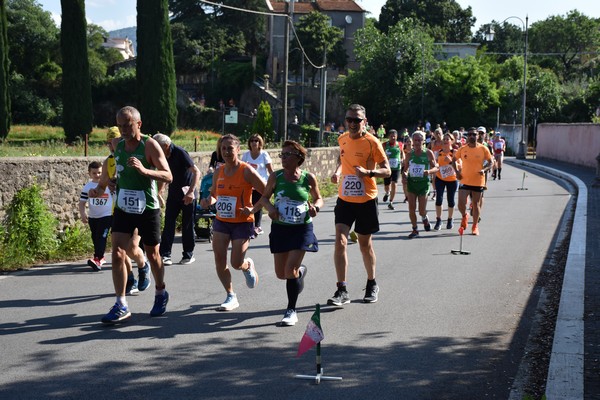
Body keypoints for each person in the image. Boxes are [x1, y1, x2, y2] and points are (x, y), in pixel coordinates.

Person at [89, 106, 172, 324]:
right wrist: (100, 188)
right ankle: (121, 303)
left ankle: (161, 292)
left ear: (139, 124)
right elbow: (112, 172)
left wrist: (145, 171)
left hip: (148, 207)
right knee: (117, 252)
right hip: (125, 207)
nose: (124, 130)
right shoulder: (118, 145)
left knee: (153, 254)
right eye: (120, 126)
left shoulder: (150, 145)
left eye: (128, 125)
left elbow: (168, 175)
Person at [327, 104, 391, 307]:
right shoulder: (342, 138)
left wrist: (368, 173)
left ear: (364, 121)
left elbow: (387, 170)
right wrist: (338, 171)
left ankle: (372, 283)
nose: (353, 123)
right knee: (340, 241)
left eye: (357, 120)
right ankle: (342, 289)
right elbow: (342, 155)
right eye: (349, 120)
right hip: (345, 199)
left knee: (365, 245)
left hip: (366, 199)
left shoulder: (372, 142)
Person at [260, 140, 323, 326]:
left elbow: (318, 198)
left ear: (299, 158)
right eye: (282, 154)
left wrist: (316, 208)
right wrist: (270, 209)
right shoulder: (276, 177)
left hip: (301, 228)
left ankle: (291, 310)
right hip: (280, 228)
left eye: (288, 154)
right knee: (281, 273)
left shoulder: (308, 178)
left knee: (290, 270)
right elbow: (264, 198)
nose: (283, 158)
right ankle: (299, 274)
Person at [200, 134, 265, 311]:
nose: (227, 152)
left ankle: (247, 265)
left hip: (242, 222)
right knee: (219, 259)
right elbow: (214, 195)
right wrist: (208, 201)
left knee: (236, 263)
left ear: (238, 149)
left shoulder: (246, 170)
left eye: (230, 148)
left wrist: (253, 209)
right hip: (222, 220)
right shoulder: (219, 172)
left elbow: (266, 191)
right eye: (223, 149)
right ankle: (230, 295)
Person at [105, 126, 151, 296]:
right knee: (119, 249)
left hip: (139, 209)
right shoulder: (109, 162)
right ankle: (129, 277)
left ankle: (142, 265)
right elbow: (103, 182)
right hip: (118, 209)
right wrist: (103, 186)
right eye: (108, 142)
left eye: (114, 141)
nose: (111, 145)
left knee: (131, 246)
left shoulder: (137, 154)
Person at [154, 133, 201, 265]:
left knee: (187, 225)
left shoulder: (180, 152)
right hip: (174, 194)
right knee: (169, 223)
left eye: (158, 147)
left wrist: (191, 192)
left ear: (166, 146)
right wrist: (159, 191)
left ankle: (188, 255)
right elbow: (163, 173)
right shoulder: (161, 156)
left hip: (188, 193)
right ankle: (165, 255)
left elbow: (196, 172)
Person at [453, 127, 493, 236]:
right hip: (464, 179)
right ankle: (464, 215)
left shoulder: (483, 148)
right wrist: (457, 172)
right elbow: (453, 160)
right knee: (461, 203)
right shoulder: (462, 149)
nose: (472, 136)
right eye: (470, 134)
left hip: (478, 180)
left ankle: (475, 226)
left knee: (475, 204)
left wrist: (484, 170)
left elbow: (491, 162)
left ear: (477, 136)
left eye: (474, 134)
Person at [402, 131, 438, 238]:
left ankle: (424, 218)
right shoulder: (409, 155)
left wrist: (429, 172)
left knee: (421, 210)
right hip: (412, 184)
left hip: (423, 184)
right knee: (411, 208)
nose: (417, 142)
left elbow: (436, 167)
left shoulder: (428, 153)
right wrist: (404, 175)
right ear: (412, 141)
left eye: (419, 140)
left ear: (423, 141)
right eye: (415, 140)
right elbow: (405, 170)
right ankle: (415, 229)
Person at [79, 161, 112, 271]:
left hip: (107, 216)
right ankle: (100, 257)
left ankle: (97, 259)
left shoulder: (108, 185)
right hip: (93, 217)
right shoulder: (88, 187)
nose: (97, 175)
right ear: (89, 174)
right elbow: (82, 202)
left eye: (99, 173)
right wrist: (83, 214)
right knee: (95, 237)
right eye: (94, 173)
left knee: (102, 237)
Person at [241, 134, 273, 236]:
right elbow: (241, 169)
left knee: (259, 203)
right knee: (248, 204)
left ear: (260, 143)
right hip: (248, 184)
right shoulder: (246, 155)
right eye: (252, 141)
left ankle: (257, 226)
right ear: (249, 143)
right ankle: (248, 224)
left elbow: (270, 170)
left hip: (260, 183)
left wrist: (273, 183)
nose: (254, 142)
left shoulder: (264, 155)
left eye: (256, 141)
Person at [433, 132, 459, 230]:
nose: (445, 141)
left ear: (452, 141)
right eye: (444, 139)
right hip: (440, 178)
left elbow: (460, 166)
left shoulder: (455, 152)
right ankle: (439, 220)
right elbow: (435, 164)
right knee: (439, 199)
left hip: (452, 179)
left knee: (450, 200)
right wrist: (434, 170)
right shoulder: (439, 152)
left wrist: (451, 162)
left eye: (447, 139)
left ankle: (450, 219)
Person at [382, 129, 403, 210]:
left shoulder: (400, 144)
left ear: (397, 136)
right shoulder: (384, 145)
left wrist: (402, 159)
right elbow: (380, 154)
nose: (393, 138)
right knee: (386, 185)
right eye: (391, 136)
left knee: (394, 183)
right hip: (387, 167)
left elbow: (402, 153)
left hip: (396, 168)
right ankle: (387, 193)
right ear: (388, 137)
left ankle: (391, 202)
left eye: (394, 136)